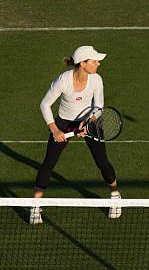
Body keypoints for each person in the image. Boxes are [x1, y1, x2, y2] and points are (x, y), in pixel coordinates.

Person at [30, 45, 121, 225]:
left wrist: (89, 122)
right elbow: (44, 104)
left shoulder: (96, 79)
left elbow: (99, 106)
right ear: (83, 63)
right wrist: (55, 129)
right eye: (94, 61)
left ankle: (115, 195)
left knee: (102, 162)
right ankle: (35, 206)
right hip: (63, 123)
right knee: (49, 163)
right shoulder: (63, 81)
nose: (98, 64)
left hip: (90, 122)